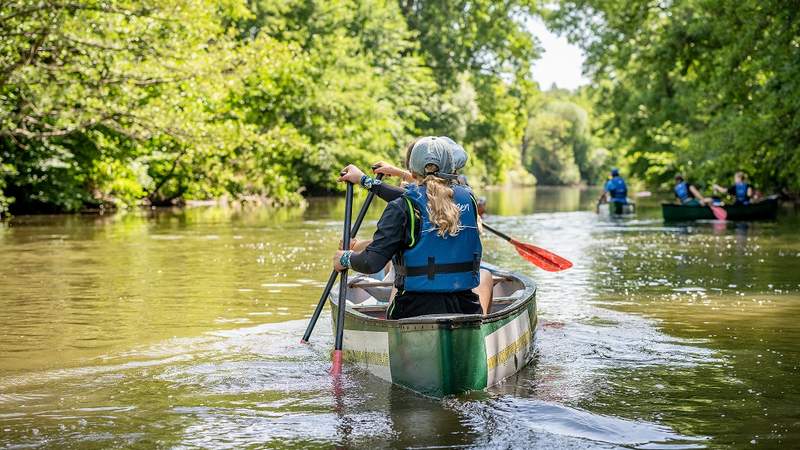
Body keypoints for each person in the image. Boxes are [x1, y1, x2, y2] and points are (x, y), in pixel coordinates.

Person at [333, 137, 484, 320]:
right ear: (452, 170)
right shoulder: (469, 198)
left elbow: (371, 263)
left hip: (413, 310)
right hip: (467, 308)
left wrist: (346, 258)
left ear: (412, 172)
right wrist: (365, 181)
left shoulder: (401, 207)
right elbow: (422, 198)